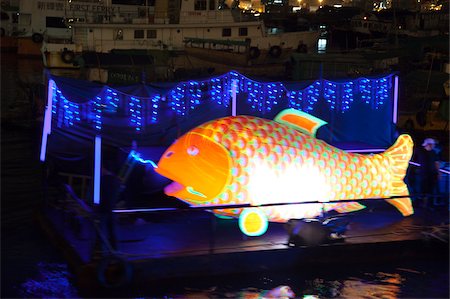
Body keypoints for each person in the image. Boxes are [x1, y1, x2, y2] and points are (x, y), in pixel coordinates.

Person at [95, 159, 123, 255]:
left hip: (103, 209)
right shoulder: (116, 180)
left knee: (100, 231)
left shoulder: (102, 180)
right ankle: (115, 250)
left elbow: (101, 195)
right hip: (111, 209)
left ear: (104, 168)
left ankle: (100, 251)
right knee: (111, 231)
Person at [416, 138, 441, 208]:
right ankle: (423, 203)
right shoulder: (420, 151)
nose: (433, 146)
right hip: (424, 174)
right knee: (423, 189)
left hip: (432, 174)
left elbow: (437, 163)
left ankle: (429, 204)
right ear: (428, 144)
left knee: (431, 190)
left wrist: (438, 172)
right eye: (432, 144)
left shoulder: (433, 153)